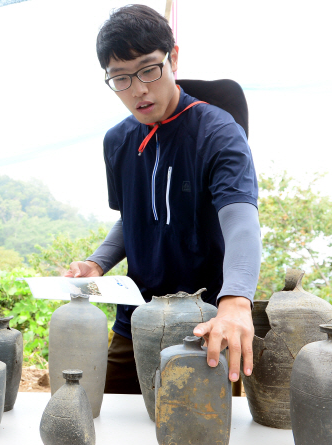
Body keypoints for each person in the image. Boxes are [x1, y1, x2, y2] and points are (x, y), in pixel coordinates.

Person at [66, 5, 261, 393]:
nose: (138, 89)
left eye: (148, 69)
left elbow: (241, 221)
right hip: (135, 321)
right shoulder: (118, 141)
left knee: (201, 437)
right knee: (109, 428)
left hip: (206, 325)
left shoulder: (218, 132)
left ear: (173, 57)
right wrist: (97, 263)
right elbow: (134, 217)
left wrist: (237, 300)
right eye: (120, 78)